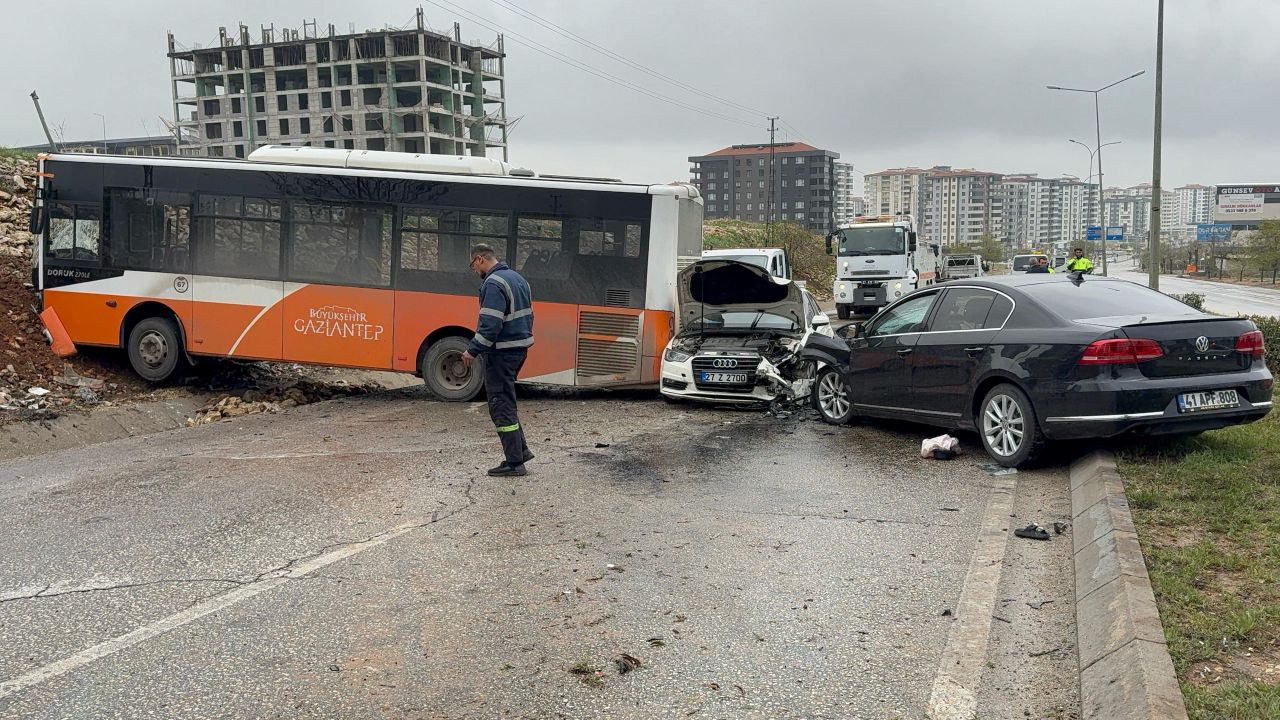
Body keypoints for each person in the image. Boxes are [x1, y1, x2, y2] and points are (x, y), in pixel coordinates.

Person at [460, 244, 535, 477]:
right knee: (507, 399)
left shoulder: (493, 284)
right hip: (518, 349)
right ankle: (520, 451)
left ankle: (514, 463)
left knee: (500, 403)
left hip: (501, 352)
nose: (474, 270)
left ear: (480, 260)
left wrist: (472, 351)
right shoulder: (517, 278)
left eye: (473, 265)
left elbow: (490, 325)